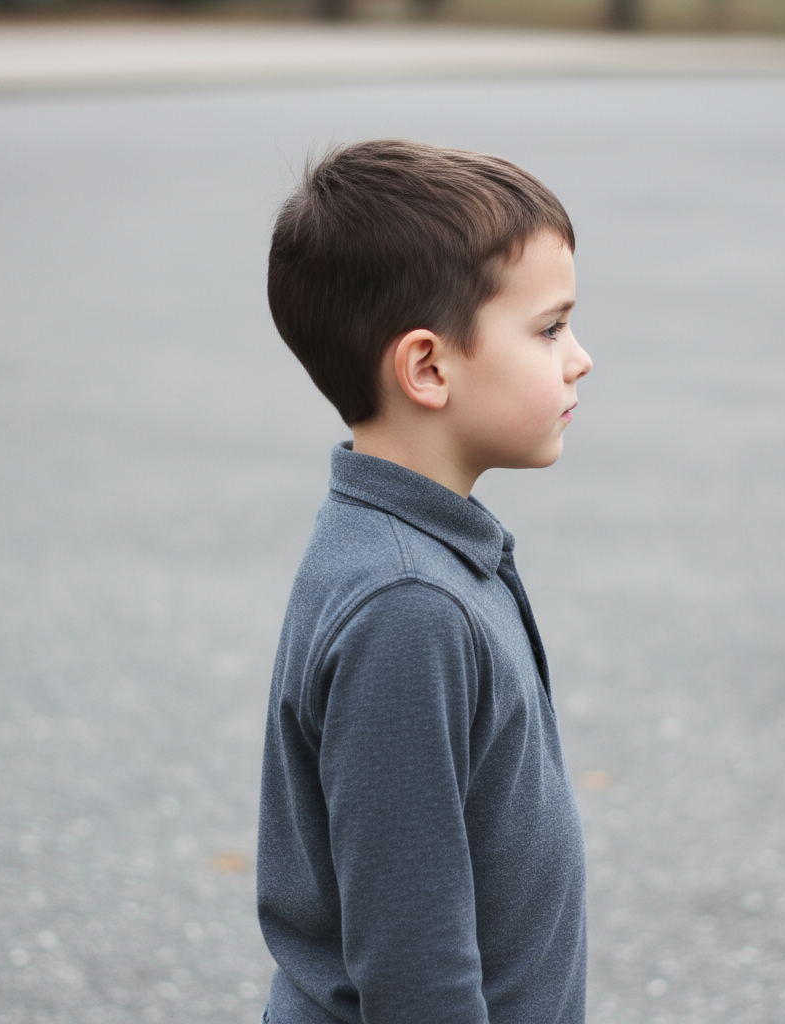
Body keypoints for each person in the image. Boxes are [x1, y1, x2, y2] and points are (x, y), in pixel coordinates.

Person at [258, 138, 593, 1024]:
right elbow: (415, 971)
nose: (580, 357)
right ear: (428, 368)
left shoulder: (414, 549)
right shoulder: (407, 607)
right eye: (550, 328)